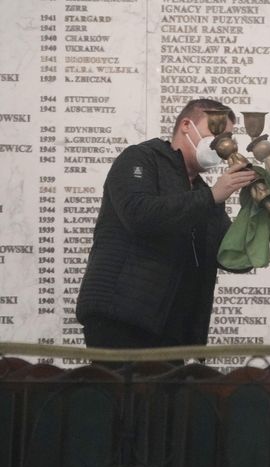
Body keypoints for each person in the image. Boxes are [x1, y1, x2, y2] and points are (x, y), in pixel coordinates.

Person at [76, 98, 257, 362]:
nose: (221, 144)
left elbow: (231, 257)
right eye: (216, 132)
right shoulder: (141, 158)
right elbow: (139, 216)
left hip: (172, 328)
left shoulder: (203, 192)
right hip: (122, 318)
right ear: (186, 125)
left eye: (228, 137)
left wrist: (255, 213)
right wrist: (213, 197)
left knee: (166, 404)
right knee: (121, 402)